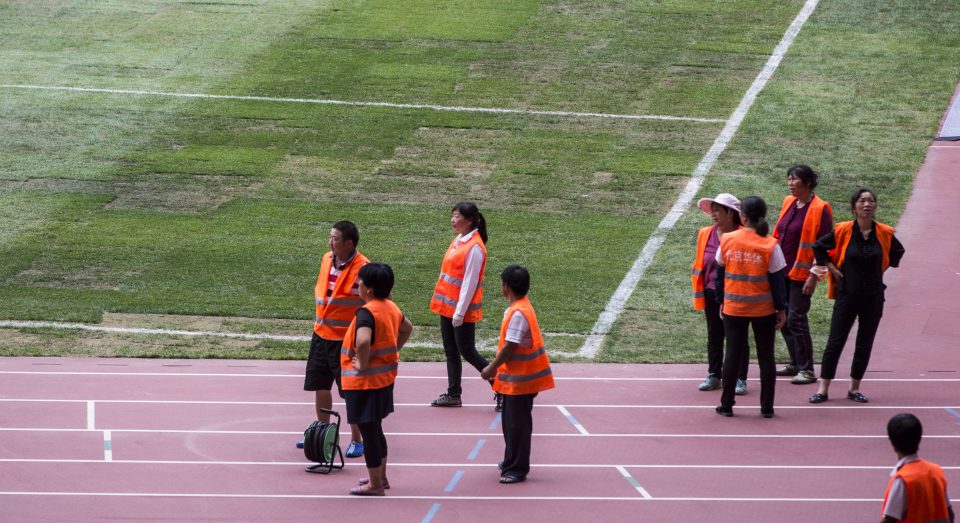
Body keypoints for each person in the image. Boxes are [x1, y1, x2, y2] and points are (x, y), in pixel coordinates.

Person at [808, 188, 905, 404]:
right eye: (862, 201)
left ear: (875, 207)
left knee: (864, 343)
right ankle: (823, 389)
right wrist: (831, 268)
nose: (867, 204)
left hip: (873, 297)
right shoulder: (843, 230)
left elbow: (897, 253)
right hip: (847, 295)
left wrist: (881, 269)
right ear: (854, 207)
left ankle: (854, 387)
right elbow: (819, 247)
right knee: (835, 341)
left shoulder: (884, 232)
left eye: (871, 201)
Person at [342, 263, 414, 496]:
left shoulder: (366, 312)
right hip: (384, 379)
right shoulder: (391, 307)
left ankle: (374, 485)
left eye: (360, 282)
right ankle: (381, 477)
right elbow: (407, 328)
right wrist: (393, 350)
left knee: (369, 433)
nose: (358, 285)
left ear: (369, 290)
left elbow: (362, 341)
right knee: (376, 429)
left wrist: (362, 363)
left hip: (364, 384)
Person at [299, 221, 368, 458]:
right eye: (330, 237)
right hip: (321, 334)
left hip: (345, 341)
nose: (331, 242)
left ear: (349, 243)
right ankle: (322, 433)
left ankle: (358, 440)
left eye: (335, 238)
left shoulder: (363, 268)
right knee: (320, 384)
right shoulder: (327, 258)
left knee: (350, 392)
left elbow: (375, 303)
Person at [714, 196, 787, 418]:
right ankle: (767, 407)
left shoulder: (727, 239)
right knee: (766, 358)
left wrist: (721, 301)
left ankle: (726, 405)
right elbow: (778, 281)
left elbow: (719, 274)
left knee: (732, 355)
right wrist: (781, 309)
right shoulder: (770, 244)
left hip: (734, 308)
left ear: (742, 216)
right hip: (763, 311)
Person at [481, 265, 554, 484]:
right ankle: (510, 460)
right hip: (515, 381)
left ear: (506, 287)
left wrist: (491, 367)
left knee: (517, 427)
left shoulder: (518, 313)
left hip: (520, 383)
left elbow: (510, 346)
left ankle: (517, 468)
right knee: (510, 424)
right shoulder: (520, 307)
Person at [429, 202, 500, 411]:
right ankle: (453, 394)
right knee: (451, 351)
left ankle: (502, 389)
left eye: (457, 216)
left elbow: (469, 283)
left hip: (461, 311)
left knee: (468, 351)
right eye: (452, 215)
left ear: (469, 220)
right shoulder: (459, 240)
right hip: (447, 307)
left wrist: (459, 312)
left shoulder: (475, 248)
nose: (453, 219)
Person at [772, 165, 834, 385]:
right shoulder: (788, 202)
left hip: (801, 274)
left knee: (797, 318)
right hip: (781, 272)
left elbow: (826, 246)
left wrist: (814, 276)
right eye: (788, 179)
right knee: (783, 318)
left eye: (794, 179)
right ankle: (795, 362)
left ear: (807, 183)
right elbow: (779, 234)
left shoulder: (821, 208)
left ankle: (807, 369)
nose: (790, 183)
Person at [692, 193, 749, 394]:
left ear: (731, 214)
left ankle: (740, 378)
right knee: (714, 335)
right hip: (711, 292)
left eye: (718, 210)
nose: (713, 214)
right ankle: (714, 374)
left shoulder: (744, 234)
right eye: (713, 210)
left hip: (736, 294)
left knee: (738, 337)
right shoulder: (705, 234)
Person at [880, 413, 954, 523]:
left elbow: (889, 519)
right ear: (920, 438)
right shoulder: (936, 471)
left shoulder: (903, 480)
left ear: (891, 441)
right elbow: (949, 514)